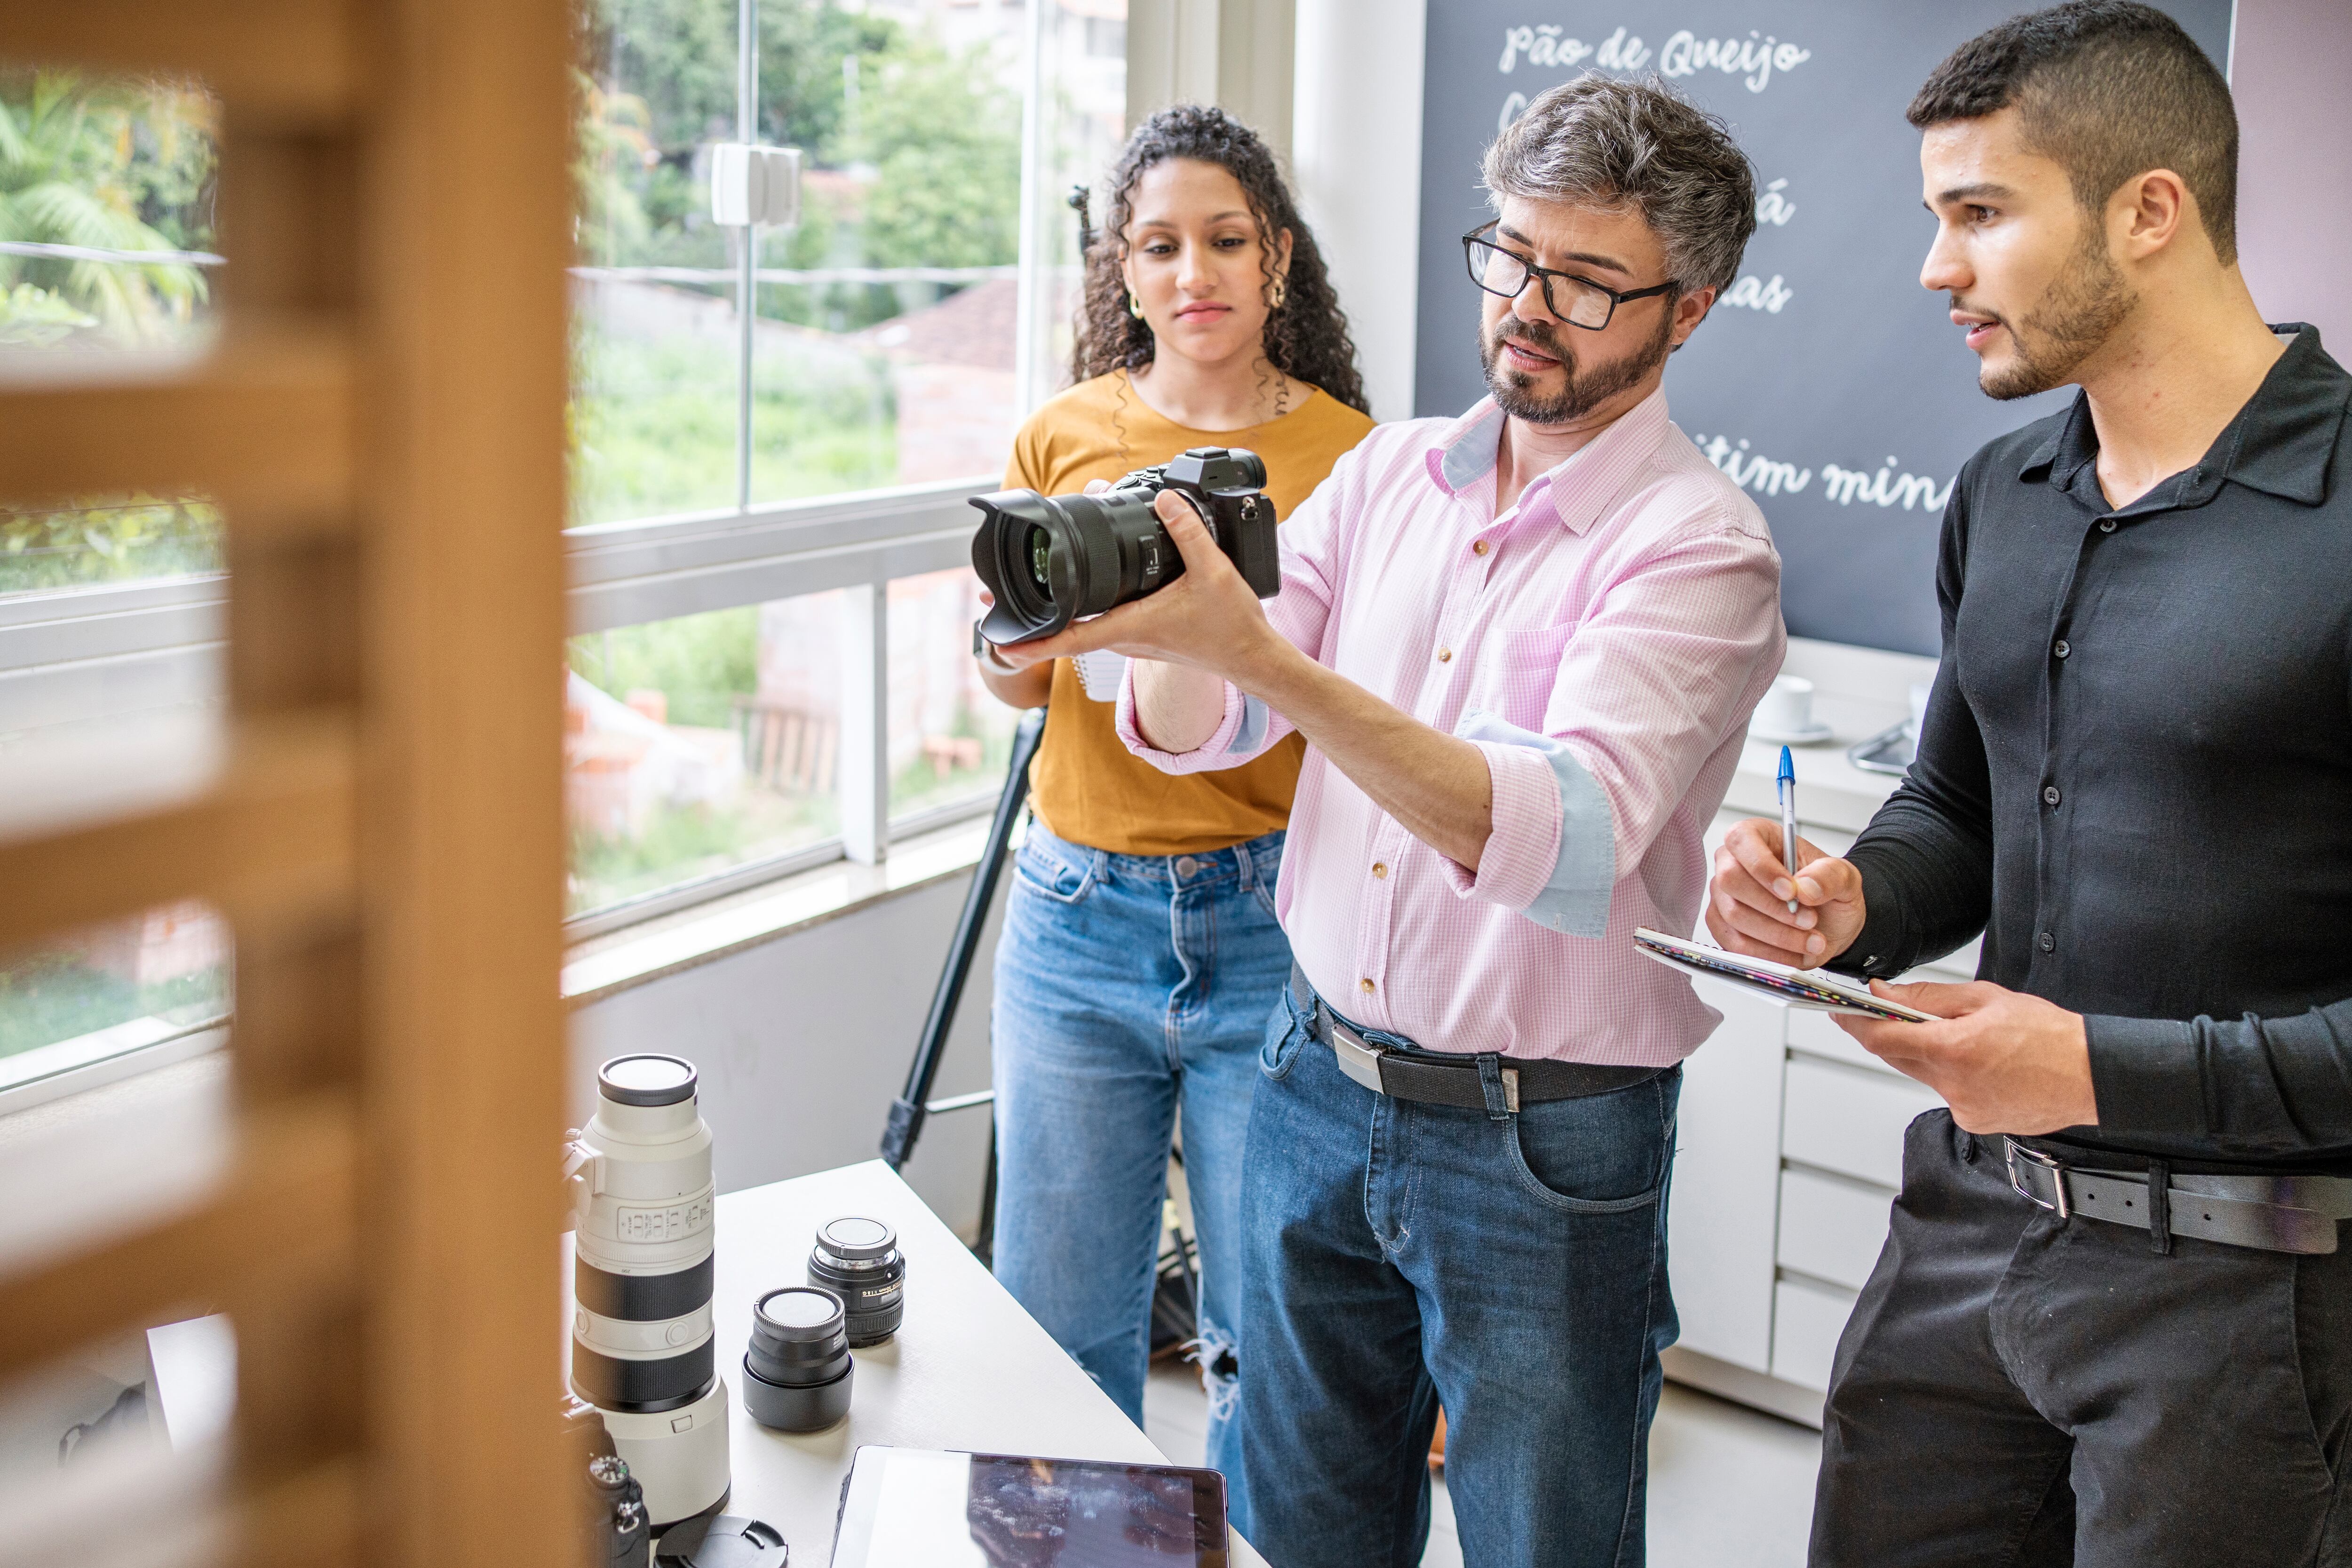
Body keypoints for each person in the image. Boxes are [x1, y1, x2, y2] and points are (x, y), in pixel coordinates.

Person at [994, 76, 1781, 1568]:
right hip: (1314, 1075)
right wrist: (1151, 623)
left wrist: (1256, 655)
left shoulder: (1702, 546)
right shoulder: (1389, 474)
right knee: (1305, 1526)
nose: (1530, 309)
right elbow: (1209, 727)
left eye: (1591, 281)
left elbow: (1560, 836)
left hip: (1540, 1140)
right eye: (1513, 257)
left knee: (1540, 1538)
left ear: (1692, 307)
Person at [1702, 5, 2352, 1563]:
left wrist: (2097, 1074)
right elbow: (1958, 809)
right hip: (1961, 1246)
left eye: (1980, 215)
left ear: (2149, 211)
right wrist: (1850, 901)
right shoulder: (2005, 493)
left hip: (2255, 1304)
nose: (1937, 269)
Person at [975, 103, 1375, 1521]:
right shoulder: (1061, 436)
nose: (1193, 271)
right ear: (1122, 270)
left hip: (1276, 919)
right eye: (1160, 246)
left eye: (1225, 239)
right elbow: (1015, 694)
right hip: (1076, 921)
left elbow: (1356, 706)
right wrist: (1019, 648)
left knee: (1269, 1341)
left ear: (1276, 258)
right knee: (1054, 1330)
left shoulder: (1351, 455)